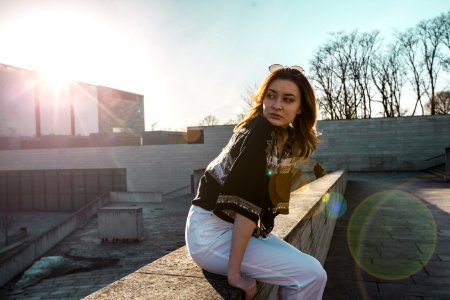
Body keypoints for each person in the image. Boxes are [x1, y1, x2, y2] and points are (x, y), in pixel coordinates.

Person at [185, 64, 327, 300]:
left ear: (301, 107)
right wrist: (235, 276)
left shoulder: (281, 136)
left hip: (224, 228)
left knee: (312, 271)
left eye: (288, 99)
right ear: (263, 98)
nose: (277, 105)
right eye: (271, 96)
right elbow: (246, 206)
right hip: (210, 235)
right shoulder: (259, 132)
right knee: (310, 274)